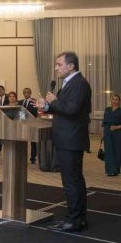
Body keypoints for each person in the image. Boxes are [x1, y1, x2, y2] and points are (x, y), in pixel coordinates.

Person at [37, 52, 92, 232]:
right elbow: (62, 109)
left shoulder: (79, 84)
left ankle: (73, 221)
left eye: (59, 64)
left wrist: (54, 101)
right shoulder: (70, 83)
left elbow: (72, 110)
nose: (56, 68)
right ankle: (79, 218)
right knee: (74, 180)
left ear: (71, 66)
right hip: (68, 138)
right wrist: (46, 106)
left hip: (71, 139)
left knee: (71, 182)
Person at [102, 93, 121, 176]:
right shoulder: (107, 109)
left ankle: (116, 170)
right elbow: (104, 122)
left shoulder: (120, 110)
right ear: (110, 100)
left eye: (116, 99)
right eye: (113, 99)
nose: (114, 101)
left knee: (117, 151)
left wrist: (116, 127)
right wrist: (103, 134)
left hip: (117, 133)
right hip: (107, 133)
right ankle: (110, 170)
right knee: (108, 152)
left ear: (119, 101)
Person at [19, 87, 38, 164]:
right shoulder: (20, 102)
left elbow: (36, 113)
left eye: (28, 92)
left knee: (33, 142)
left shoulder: (34, 102)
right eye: (24, 92)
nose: (26, 94)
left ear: (30, 93)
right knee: (22, 142)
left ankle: (33, 158)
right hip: (22, 124)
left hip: (32, 124)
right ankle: (21, 157)